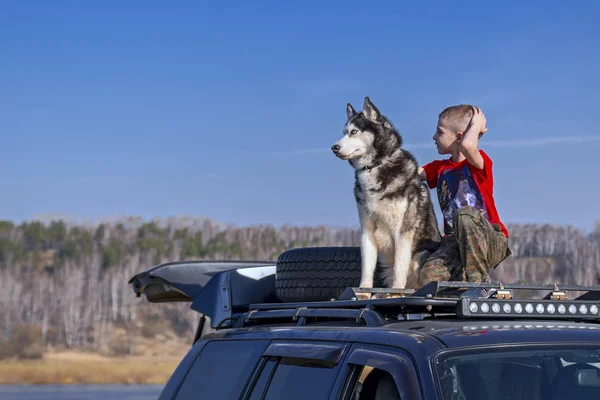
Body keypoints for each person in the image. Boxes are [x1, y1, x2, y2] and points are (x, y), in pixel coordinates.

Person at [417, 105, 511, 284]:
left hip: (490, 239)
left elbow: (468, 147)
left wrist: (476, 124)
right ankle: (459, 294)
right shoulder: (439, 168)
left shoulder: (478, 163)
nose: (434, 137)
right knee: (428, 276)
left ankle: (480, 285)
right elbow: (407, 173)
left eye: (439, 132)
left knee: (464, 214)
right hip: (456, 244)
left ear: (460, 136)